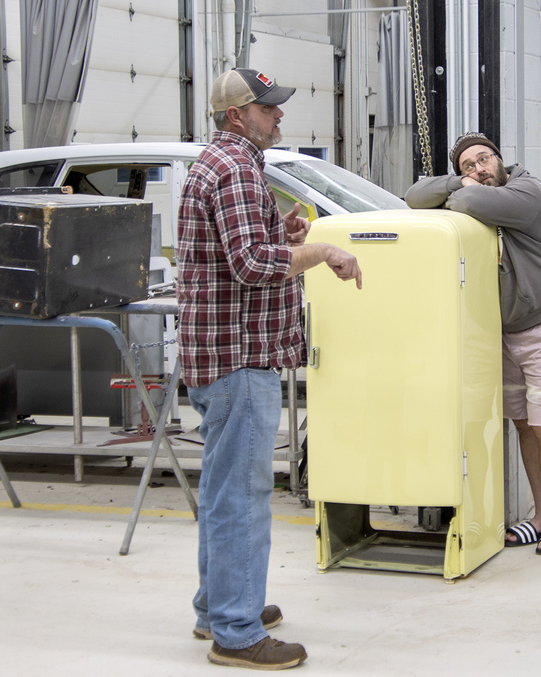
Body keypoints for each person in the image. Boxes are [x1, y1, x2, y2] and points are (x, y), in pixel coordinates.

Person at [177, 67, 362, 670]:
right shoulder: (234, 168)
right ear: (237, 115)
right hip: (240, 357)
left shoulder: (223, 163)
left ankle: (217, 608)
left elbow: (243, 247)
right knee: (244, 497)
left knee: (222, 485)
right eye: (268, 108)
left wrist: (281, 233)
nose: (278, 116)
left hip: (221, 354)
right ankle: (236, 632)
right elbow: (254, 266)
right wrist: (321, 251)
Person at [404, 132, 541, 555]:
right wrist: (456, 184)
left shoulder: (528, 189)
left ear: (501, 159)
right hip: (504, 331)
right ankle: (539, 516)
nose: (479, 169)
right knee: (522, 425)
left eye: (484, 159)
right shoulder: (472, 186)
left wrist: (464, 191)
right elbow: (414, 197)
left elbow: (474, 204)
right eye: (468, 166)